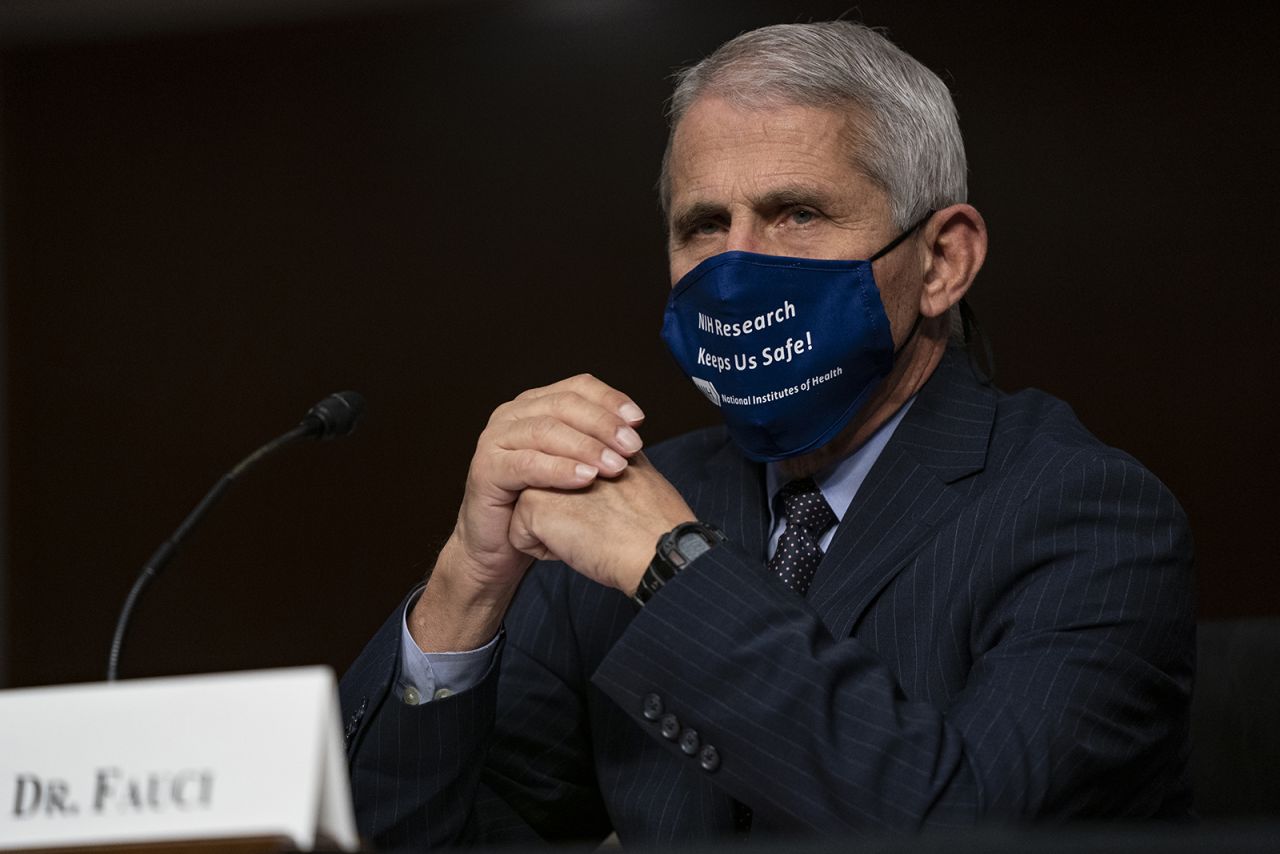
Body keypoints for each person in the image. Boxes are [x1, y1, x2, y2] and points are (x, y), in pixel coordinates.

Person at [339, 20, 1194, 848]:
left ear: (940, 263)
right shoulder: (626, 504)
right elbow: (403, 831)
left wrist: (676, 570)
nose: (735, 269)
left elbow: (969, 824)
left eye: (796, 214)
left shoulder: (1091, 516)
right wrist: (467, 582)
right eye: (704, 226)